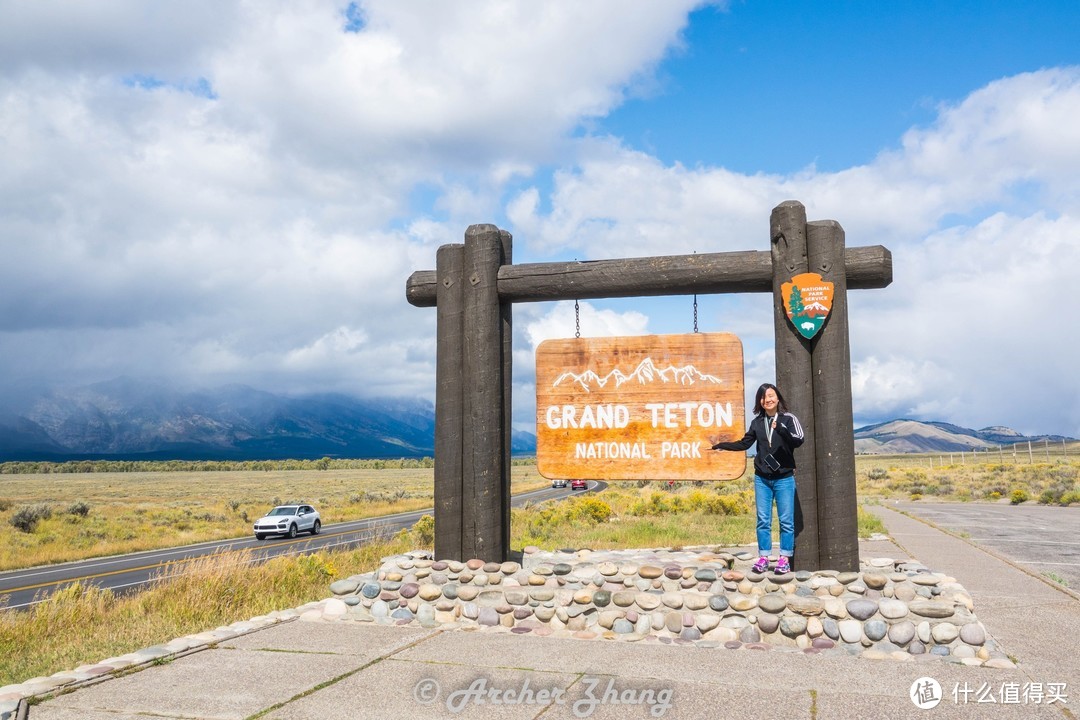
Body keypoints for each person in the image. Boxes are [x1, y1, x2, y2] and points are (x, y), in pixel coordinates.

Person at [709, 383, 804, 574]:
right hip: (762, 478)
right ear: (759, 402)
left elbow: (799, 440)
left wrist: (782, 430)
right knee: (763, 520)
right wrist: (722, 445)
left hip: (784, 478)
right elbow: (745, 443)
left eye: (771, 395)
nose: (767, 399)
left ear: (777, 398)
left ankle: (784, 559)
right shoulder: (757, 423)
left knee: (786, 520)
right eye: (763, 397)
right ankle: (763, 557)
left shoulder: (788, 419)